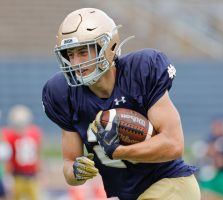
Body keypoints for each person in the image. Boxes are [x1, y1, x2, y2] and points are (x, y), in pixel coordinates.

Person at [42, 8, 200, 200]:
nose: (75, 62)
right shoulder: (63, 93)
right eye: (70, 54)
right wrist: (76, 171)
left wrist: (120, 151)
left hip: (170, 183)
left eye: (83, 52)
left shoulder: (141, 71)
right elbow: (69, 162)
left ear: (107, 46)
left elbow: (174, 144)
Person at [1, 105, 42, 200]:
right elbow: (8, 158)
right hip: (18, 176)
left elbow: (37, 154)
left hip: (30, 175)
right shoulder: (34, 132)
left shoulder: (9, 134)